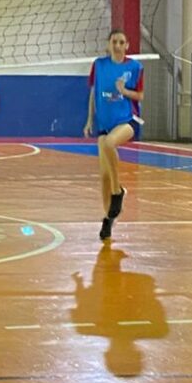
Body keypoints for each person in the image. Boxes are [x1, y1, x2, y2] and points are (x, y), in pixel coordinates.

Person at [85, 30, 143, 241]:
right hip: (104, 122)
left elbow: (140, 95)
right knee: (104, 176)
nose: (117, 45)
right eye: (114, 42)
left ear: (127, 45)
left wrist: (124, 91)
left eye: (121, 42)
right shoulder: (99, 65)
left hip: (128, 120)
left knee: (109, 143)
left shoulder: (135, 67)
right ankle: (108, 217)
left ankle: (118, 191)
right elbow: (93, 93)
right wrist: (89, 120)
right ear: (108, 44)